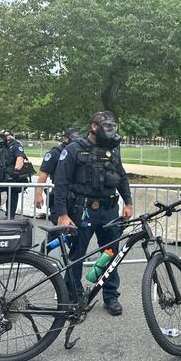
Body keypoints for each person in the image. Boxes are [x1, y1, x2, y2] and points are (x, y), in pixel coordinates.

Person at [54, 112, 133, 316]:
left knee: (109, 254)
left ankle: (110, 295)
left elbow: (122, 176)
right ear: (94, 127)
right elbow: (60, 183)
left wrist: (128, 202)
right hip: (83, 210)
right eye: (107, 126)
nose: (111, 131)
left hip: (109, 210)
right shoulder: (74, 149)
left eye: (113, 126)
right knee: (77, 255)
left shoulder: (113, 151)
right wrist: (62, 213)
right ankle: (74, 295)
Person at [35, 127, 80, 251]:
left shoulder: (79, 151)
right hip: (59, 196)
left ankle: (75, 254)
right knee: (59, 229)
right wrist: (38, 195)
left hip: (75, 197)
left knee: (72, 228)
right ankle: (44, 252)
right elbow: (43, 174)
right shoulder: (55, 152)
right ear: (65, 138)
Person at [0, 130, 28, 220]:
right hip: (0, 175)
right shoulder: (0, 147)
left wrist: (16, 171)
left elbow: (20, 158)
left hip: (11, 175)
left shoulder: (16, 146)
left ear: (9, 137)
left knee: (12, 194)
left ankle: (10, 216)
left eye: (4, 135)